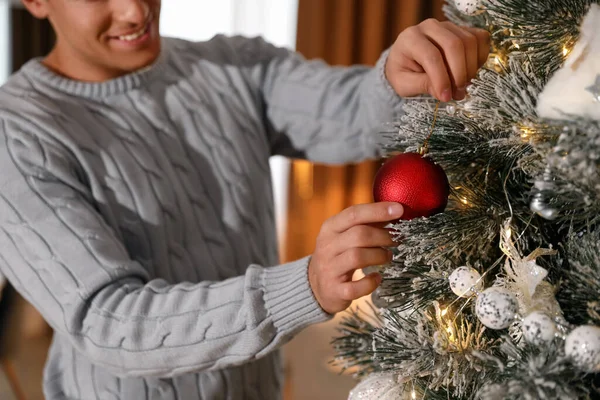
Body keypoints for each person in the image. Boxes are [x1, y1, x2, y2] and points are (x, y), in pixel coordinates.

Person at [0, 1, 490, 399]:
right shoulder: (18, 136)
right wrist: (301, 288)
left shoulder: (233, 65)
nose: (134, 11)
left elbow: (352, 112)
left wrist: (395, 78)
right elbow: (108, 320)